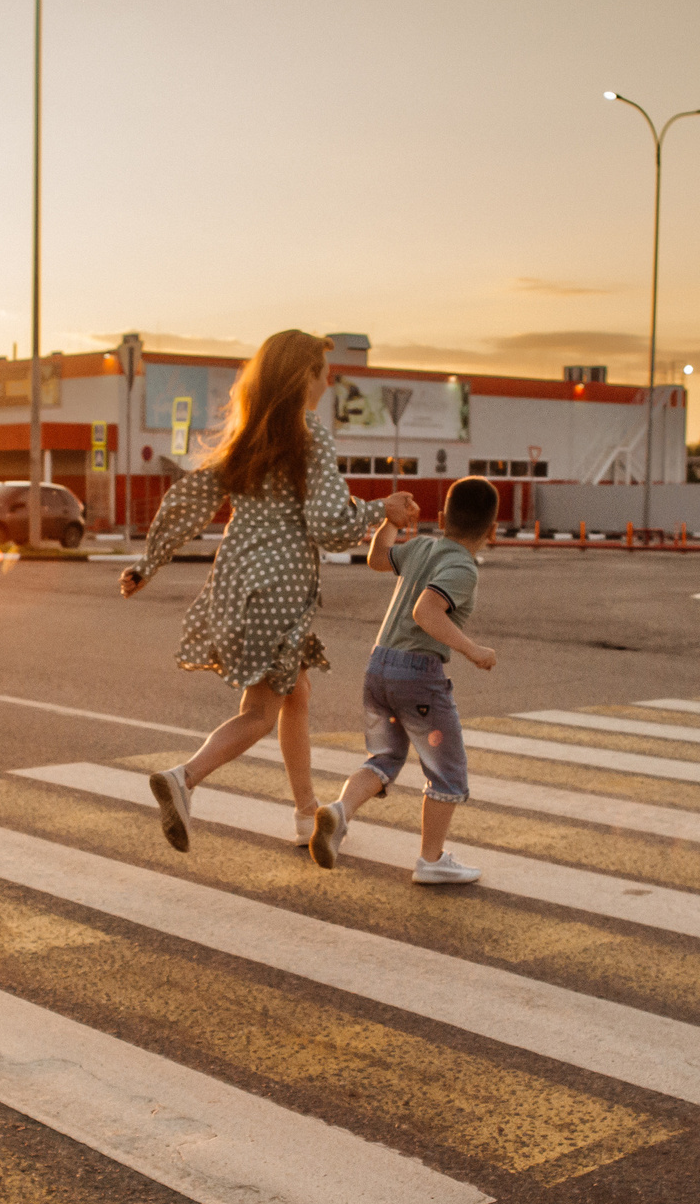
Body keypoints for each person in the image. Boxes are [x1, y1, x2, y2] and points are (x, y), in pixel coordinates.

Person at [120, 329, 419, 853]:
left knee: (295, 694)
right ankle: (183, 778)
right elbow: (328, 525)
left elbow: (186, 501)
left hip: (236, 583)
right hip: (280, 587)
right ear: (303, 375)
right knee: (261, 712)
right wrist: (382, 511)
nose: (328, 382)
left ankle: (307, 815)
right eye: (324, 372)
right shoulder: (310, 435)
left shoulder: (249, 436)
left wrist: (148, 564)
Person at [310, 475, 499, 884]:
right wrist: (472, 650)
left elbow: (378, 559)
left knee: (384, 759)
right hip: (418, 677)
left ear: (443, 516)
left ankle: (339, 812)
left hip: (378, 669)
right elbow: (425, 612)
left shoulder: (422, 546)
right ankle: (431, 861)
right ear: (493, 530)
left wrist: (390, 523)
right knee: (447, 771)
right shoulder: (462, 566)